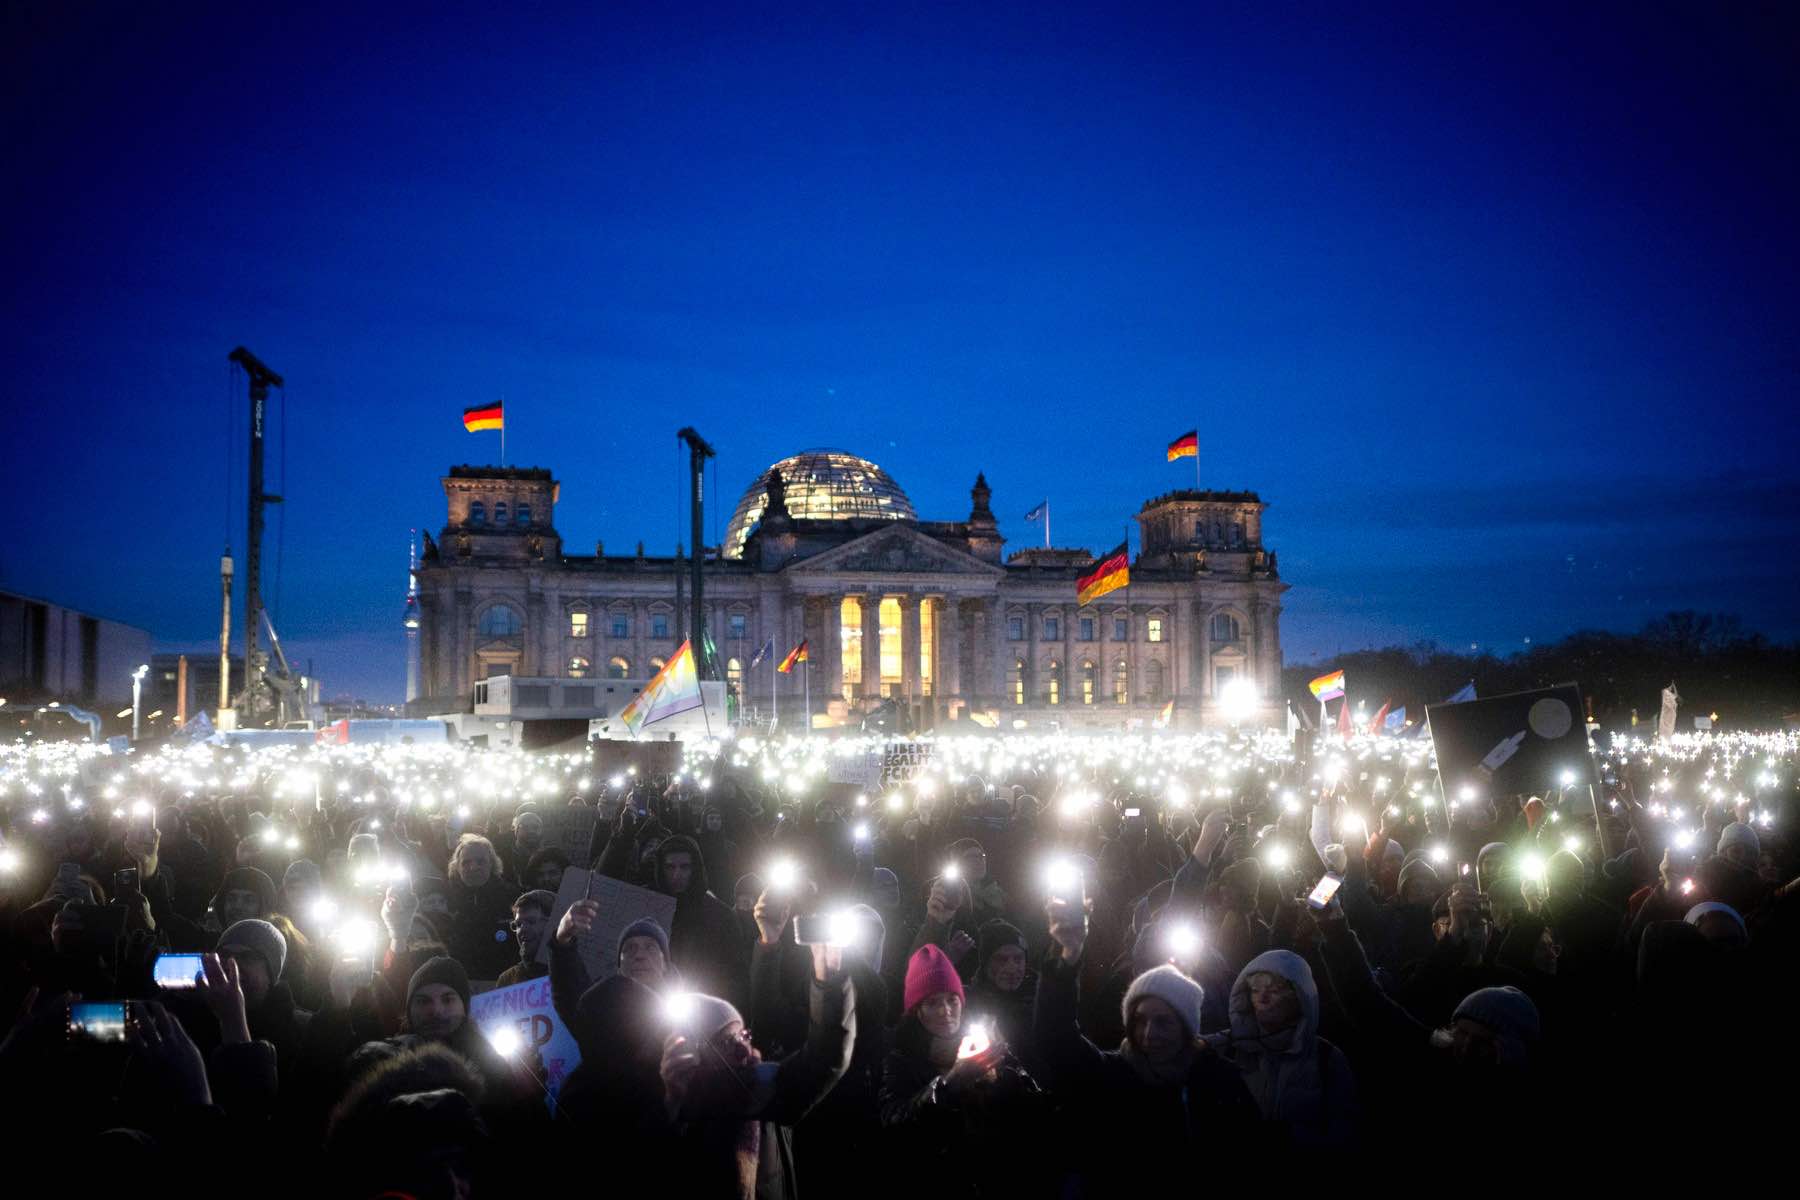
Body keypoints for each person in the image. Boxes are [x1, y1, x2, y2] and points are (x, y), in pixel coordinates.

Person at [1032, 893, 1258, 1189]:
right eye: (1139, 1021)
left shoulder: (1220, 1082)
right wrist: (1067, 958)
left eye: (1163, 1021)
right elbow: (1056, 1036)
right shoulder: (1113, 1074)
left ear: (1187, 1027)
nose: (1149, 1034)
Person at [658, 941, 856, 1200]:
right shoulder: (682, 1103)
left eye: (742, 1034)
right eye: (727, 1041)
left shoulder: (761, 1086)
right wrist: (670, 1106)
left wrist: (829, 982)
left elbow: (824, 1059)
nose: (742, 1047)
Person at [879, 943, 1047, 1197]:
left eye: (951, 1000)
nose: (946, 1011)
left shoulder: (985, 1041)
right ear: (917, 1011)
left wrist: (1001, 1073)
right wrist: (952, 1081)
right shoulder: (901, 1058)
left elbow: (1032, 1105)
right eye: (933, 1002)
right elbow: (896, 1124)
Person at [1207, 950, 1358, 1151]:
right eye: (1255, 989)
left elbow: (1347, 1135)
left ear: (1300, 997)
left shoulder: (1327, 1059)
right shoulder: (1225, 1047)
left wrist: (1289, 1138)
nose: (1263, 997)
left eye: (1275, 989)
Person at [442, 835, 518, 981]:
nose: (473, 867)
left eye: (481, 861)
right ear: (457, 867)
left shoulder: (512, 897)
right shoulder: (445, 899)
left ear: (492, 864)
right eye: (466, 862)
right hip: (459, 984)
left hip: (503, 985)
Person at [495, 889, 555, 987]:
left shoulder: (574, 973)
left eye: (531, 921)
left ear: (553, 924)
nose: (522, 930)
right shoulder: (507, 980)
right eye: (518, 924)